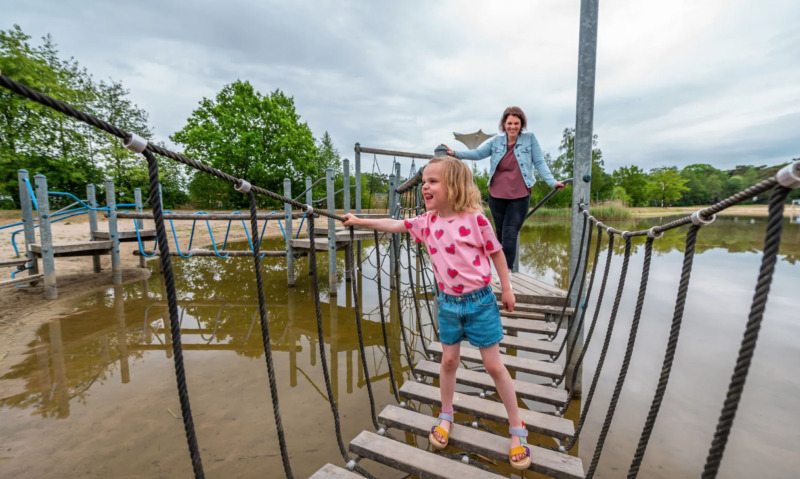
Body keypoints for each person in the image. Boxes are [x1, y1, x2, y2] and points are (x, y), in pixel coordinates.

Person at [342, 156, 533, 470]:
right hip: (447, 303)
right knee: (448, 361)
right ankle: (446, 415)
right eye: (424, 182)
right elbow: (394, 224)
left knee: (493, 366)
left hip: (481, 303)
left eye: (433, 182)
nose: (425, 188)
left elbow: (497, 253)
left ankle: (516, 426)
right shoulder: (426, 222)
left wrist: (507, 289)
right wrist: (359, 221)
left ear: (454, 186)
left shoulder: (475, 220)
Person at [443, 106, 565, 274]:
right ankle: (499, 271)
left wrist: (552, 182)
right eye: (509, 123)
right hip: (497, 194)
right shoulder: (496, 141)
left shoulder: (529, 139)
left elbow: (539, 162)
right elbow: (478, 154)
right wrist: (455, 153)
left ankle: (506, 274)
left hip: (520, 195)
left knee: (510, 233)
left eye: (516, 123)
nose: (512, 127)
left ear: (521, 124)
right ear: (504, 124)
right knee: (500, 235)